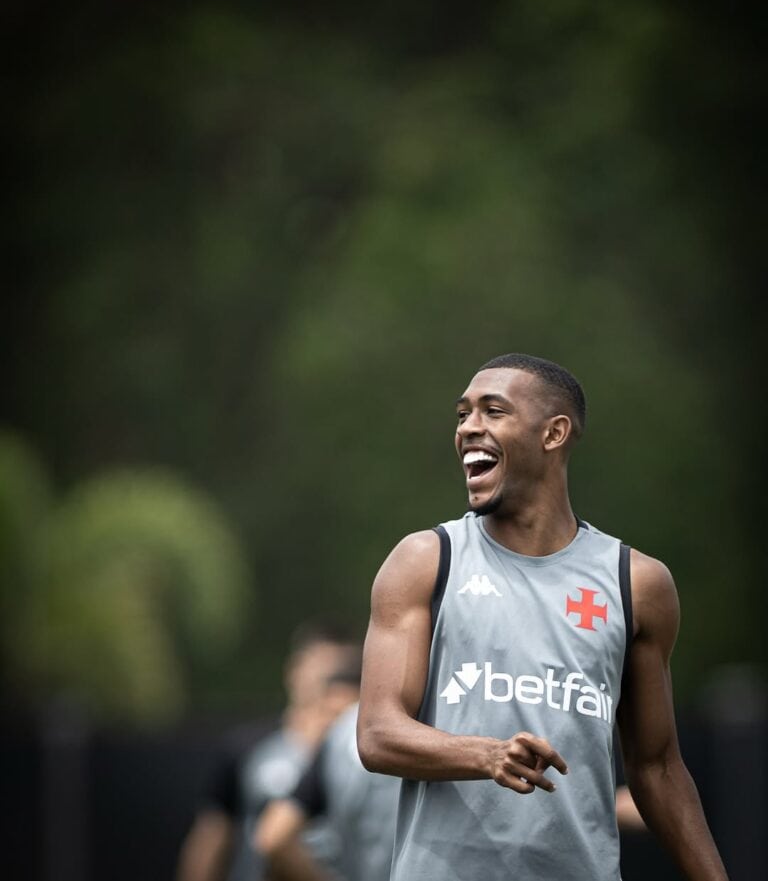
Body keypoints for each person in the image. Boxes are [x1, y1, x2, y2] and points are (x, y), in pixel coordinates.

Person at [357, 353, 728, 881]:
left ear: (553, 433)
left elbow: (657, 768)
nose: (468, 429)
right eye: (463, 414)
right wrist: (486, 755)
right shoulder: (426, 560)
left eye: (493, 411)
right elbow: (377, 733)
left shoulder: (636, 583)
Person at [176, 623, 359, 881]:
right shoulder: (247, 747)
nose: (328, 679)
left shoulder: (360, 758)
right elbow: (212, 836)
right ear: (293, 672)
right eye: (320, 666)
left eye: (341, 670)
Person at [255, 670, 400, 881]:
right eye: (323, 712)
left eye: (338, 715)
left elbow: (274, 838)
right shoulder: (418, 738)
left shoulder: (335, 747)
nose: (327, 724)